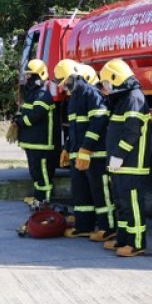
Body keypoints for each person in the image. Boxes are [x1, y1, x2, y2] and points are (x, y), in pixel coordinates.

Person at [53, 59, 114, 241]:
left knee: (100, 192)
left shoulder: (90, 93)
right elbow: (74, 129)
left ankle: (108, 228)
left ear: (73, 77)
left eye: (64, 82)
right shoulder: (73, 98)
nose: (63, 87)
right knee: (81, 193)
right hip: (78, 155)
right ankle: (84, 226)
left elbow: (99, 121)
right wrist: (67, 149)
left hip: (95, 155)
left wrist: (86, 148)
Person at [100, 59, 151, 257]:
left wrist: (118, 155)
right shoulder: (123, 99)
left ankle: (136, 243)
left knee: (133, 205)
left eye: (106, 83)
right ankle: (122, 238)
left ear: (116, 78)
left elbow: (132, 132)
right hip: (121, 164)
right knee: (121, 204)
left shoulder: (134, 98)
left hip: (132, 164)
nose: (105, 87)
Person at [12, 59, 58, 208]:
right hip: (32, 143)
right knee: (36, 174)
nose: (27, 78)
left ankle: (45, 202)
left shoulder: (42, 94)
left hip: (42, 144)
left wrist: (20, 122)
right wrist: (16, 118)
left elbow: (35, 115)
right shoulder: (32, 94)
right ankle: (38, 199)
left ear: (39, 75)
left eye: (30, 75)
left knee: (43, 176)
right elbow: (26, 112)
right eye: (27, 75)